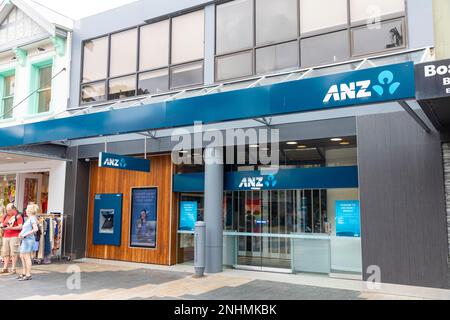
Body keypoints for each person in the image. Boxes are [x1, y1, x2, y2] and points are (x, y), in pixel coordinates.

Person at [18, 204, 39, 281]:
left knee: (26, 257)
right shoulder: (30, 218)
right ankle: (24, 273)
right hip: (25, 239)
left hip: (28, 240)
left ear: (29, 210)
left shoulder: (32, 218)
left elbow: (35, 229)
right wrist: (21, 234)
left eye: (27, 209)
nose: (25, 210)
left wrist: (24, 235)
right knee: (22, 256)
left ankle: (28, 274)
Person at [1, 204, 23, 274]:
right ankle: (5, 268)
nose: (8, 211)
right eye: (7, 210)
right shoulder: (5, 216)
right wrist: (2, 226)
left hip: (14, 236)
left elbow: (20, 227)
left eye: (9, 210)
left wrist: (11, 228)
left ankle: (13, 268)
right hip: (6, 236)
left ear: (14, 209)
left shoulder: (18, 216)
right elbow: (2, 223)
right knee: (5, 252)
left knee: (13, 252)